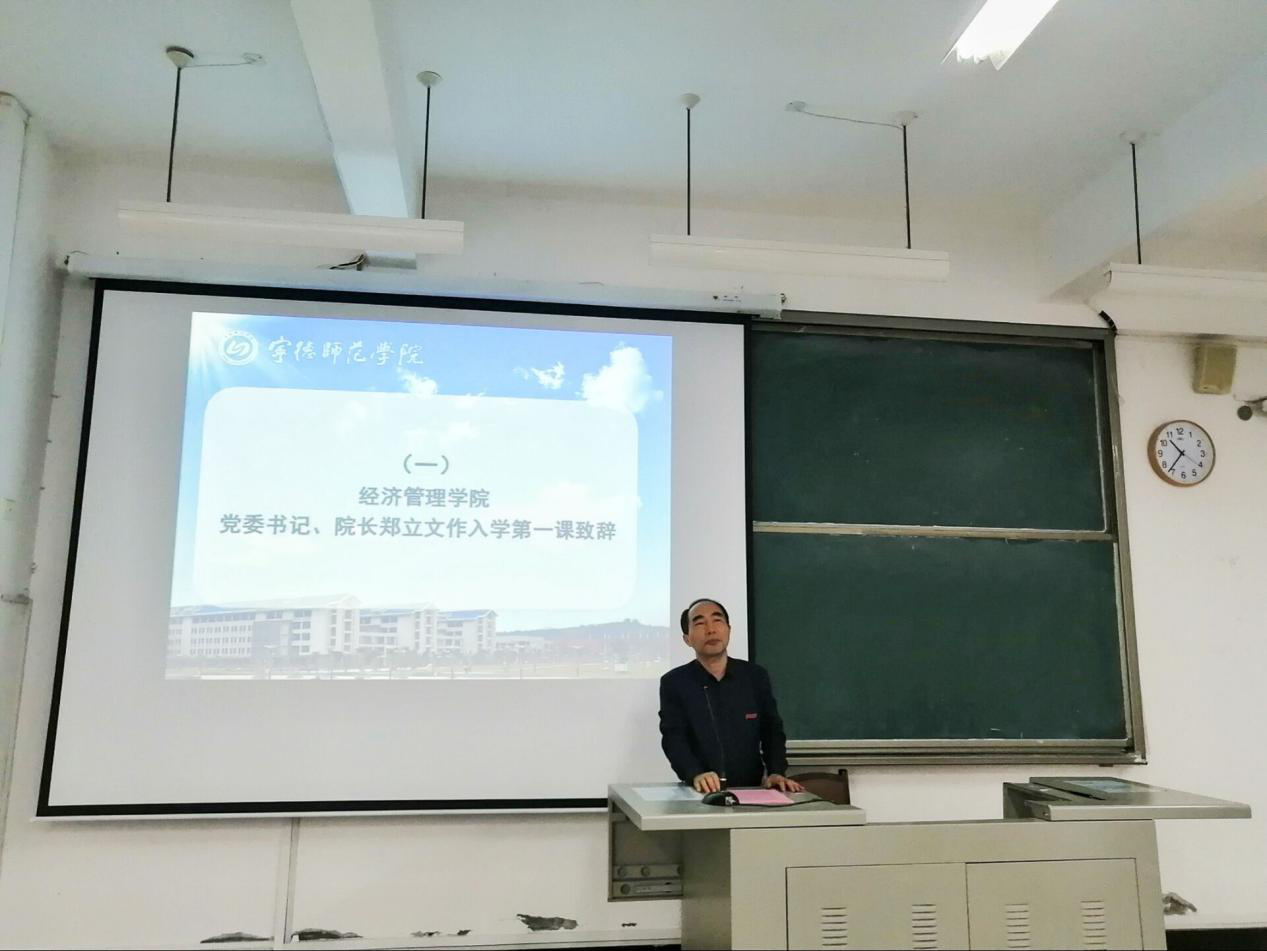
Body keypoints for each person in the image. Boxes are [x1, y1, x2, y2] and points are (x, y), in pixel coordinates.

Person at [658, 598, 803, 794]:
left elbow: (772, 730)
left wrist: (776, 771)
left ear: (729, 629)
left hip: (753, 791)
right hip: (701, 792)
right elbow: (674, 738)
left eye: (717, 620)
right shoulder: (675, 682)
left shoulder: (754, 676)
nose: (711, 629)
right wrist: (694, 773)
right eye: (700, 623)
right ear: (687, 639)